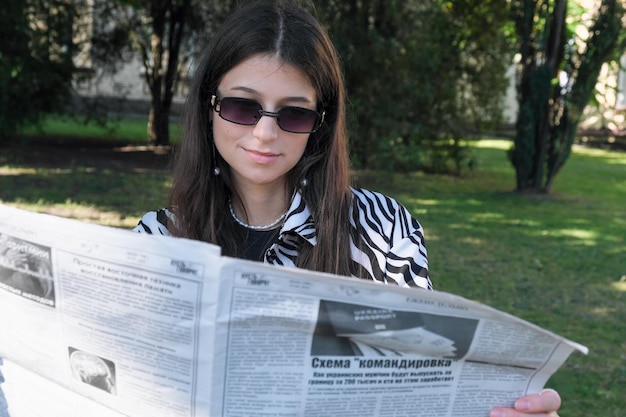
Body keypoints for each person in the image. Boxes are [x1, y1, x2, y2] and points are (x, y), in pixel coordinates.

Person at [133, 1, 563, 416]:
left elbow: (428, 385)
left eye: (294, 114)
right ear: (210, 108)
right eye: (242, 107)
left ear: (319, 125)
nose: (265, 133)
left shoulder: (383, 232)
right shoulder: (158, 237)